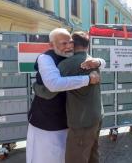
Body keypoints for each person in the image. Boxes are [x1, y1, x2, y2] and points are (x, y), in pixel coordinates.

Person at [26, 28, 105, 163]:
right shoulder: (46, 58)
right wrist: (88, 79)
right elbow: (53, 85)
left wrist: (99, 61)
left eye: (70, 42)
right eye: (64, 43)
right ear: (51, 45)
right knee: (48, 156)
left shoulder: (72, 60)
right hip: (48, 120)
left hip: (73, 121)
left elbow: (48, 89)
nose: (68, 46)